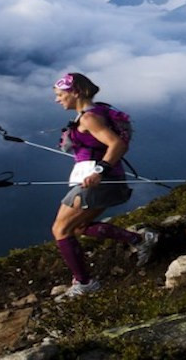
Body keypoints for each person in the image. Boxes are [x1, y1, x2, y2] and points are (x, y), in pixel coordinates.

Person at [50, 72, 158, 302]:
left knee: (61, 230)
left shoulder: (89, 118)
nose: (57, 99)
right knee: (79, 227)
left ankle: (85, 283)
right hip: (109, 181)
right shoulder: (97, 111)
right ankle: (140, 240)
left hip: (99, 183)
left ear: (75, 92)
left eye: (60, 95)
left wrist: (100, 170)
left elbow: (116, 144)